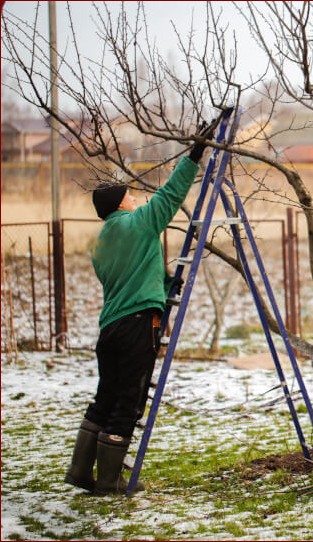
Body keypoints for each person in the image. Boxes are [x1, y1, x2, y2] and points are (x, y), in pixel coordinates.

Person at [64, 112, 226, 495]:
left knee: (105, 396)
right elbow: (171, 194)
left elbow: (129, 276)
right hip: (138, 324)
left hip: (111, 328)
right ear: (121, 204)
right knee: (128, 400)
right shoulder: (138, 223)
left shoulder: (101, 243)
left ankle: (80, 471)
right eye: (130, 195)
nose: (136, 198)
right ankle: (109, 480)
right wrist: (194, 153)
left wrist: (165, 281)